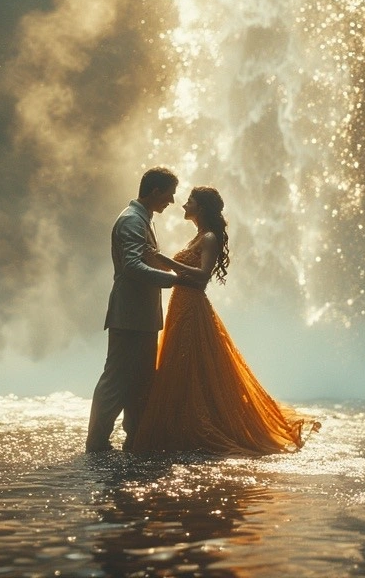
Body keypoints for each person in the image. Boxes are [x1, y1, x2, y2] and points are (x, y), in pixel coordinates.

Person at [128, 186, 319, 455]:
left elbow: (203, 276)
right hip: (180, 306)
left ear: (201, 208)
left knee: (190, 366)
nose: (183, 205)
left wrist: (165, 260)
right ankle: (179, 427)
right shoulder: (197, 237)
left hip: (193, 308)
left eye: (189, 202)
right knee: (182, 366)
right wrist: (156, 262)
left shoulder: (209, 238)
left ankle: (192, 428)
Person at [86, 166, 195, 453]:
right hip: (130, 315)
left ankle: (135, 439)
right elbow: (133, 267)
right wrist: (176, 280)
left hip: (141, 315)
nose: (171, 202)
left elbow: (146, 260)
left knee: (140, 381)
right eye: (169, 195)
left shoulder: (143, 219)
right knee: (116, 380)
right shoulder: (132, 221)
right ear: (155, 191)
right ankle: (96, 443)